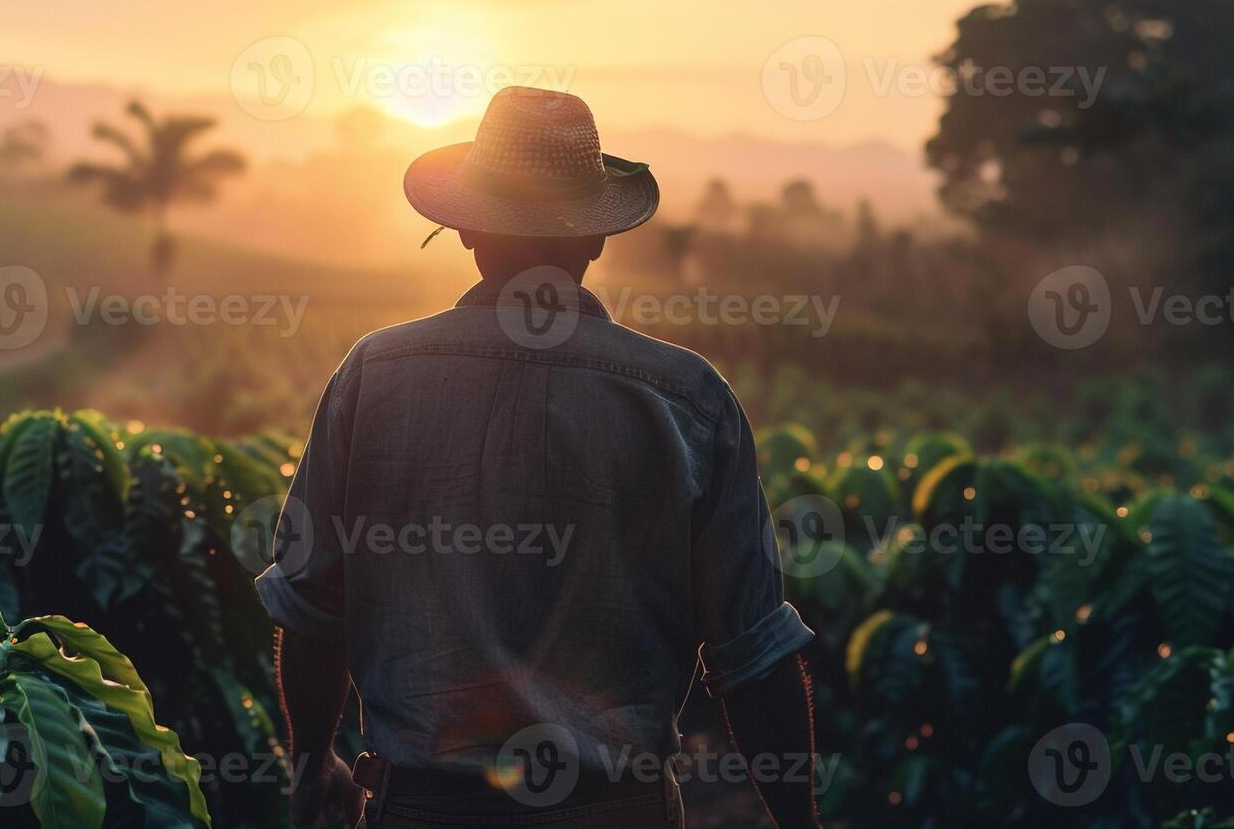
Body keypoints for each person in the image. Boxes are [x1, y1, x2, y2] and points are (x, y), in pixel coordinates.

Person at [255, 86, 820, 829]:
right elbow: (751, 654)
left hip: (423, 808)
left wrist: (309, 769)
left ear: (464, 231)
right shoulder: (688, 399)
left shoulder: (375, 375)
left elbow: (312, 604)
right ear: (596, 238)